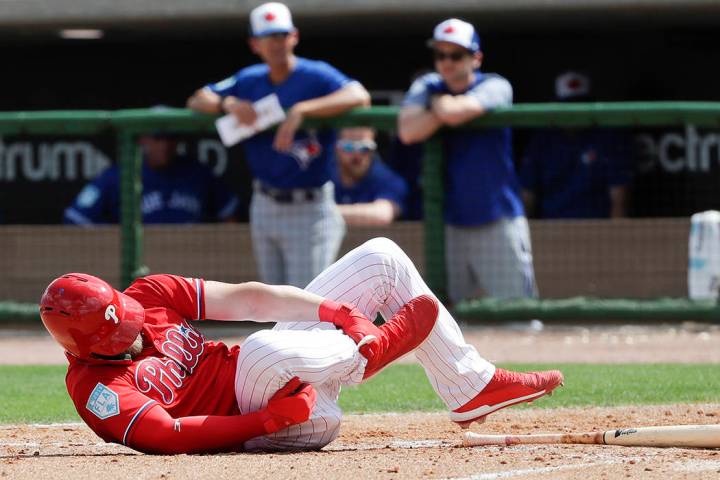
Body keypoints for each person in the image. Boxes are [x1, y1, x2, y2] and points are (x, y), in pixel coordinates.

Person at [39, 237, 563, 454]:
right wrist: (267, 421)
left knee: (380, 256)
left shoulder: (145, 294)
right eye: (123, 329)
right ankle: (365, 356)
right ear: (94, 344)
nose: (137, 324)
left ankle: (467, 384)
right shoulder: (94, 389)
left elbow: (247, 299)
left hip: (287, 368)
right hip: (279, 418)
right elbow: (170, 435)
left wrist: (337, 312)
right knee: (264, 350)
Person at [186, 2, 370, 287]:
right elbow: (197, 99)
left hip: (310, 204)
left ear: (294, 36)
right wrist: (228, 102)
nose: (276, 43)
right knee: (273, 300)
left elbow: (358, 95)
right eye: (268, 37)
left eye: (281, 35)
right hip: (265, 201)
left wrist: (303, 109)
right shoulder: (250, 79)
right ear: (254, 43)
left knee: (308, 299)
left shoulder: (315, 74)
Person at [397, 18, 537, 304]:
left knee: (518, 313)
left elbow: (456, 112)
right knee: (444, 318)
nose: (447, 62)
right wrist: (443, 109)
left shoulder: (496, 85)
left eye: (456, 55)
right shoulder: (428, 84)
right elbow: (407, 131)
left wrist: (436, 105)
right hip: (448, 222)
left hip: (497, 217)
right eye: (441, 55)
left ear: (476, 58)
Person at [520, 71, 632, 219]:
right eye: (568, 106)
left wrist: (615, 239)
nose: (574, 112)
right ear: (555, 106)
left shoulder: (608, 138)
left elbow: (619, 200)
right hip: (552, 230)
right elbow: (527, 197)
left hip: (597, 231)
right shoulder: (542, 141)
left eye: (579, 104)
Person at [63, 132, 239, 225]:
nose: (165, 145)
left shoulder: (198, 171)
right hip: (142, 264)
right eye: (158, 138)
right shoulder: (118, 175)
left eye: (171, 138)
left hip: (191, 259)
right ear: (143, 139)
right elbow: (76, 217)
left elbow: (230, 215)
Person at [332, 127, 408, 226]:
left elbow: (382, 215)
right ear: (336, 148)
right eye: (348, 147)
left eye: (365, 148)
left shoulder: (387, 179)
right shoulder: (324, 176)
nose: (357, 155)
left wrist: (324, 212)